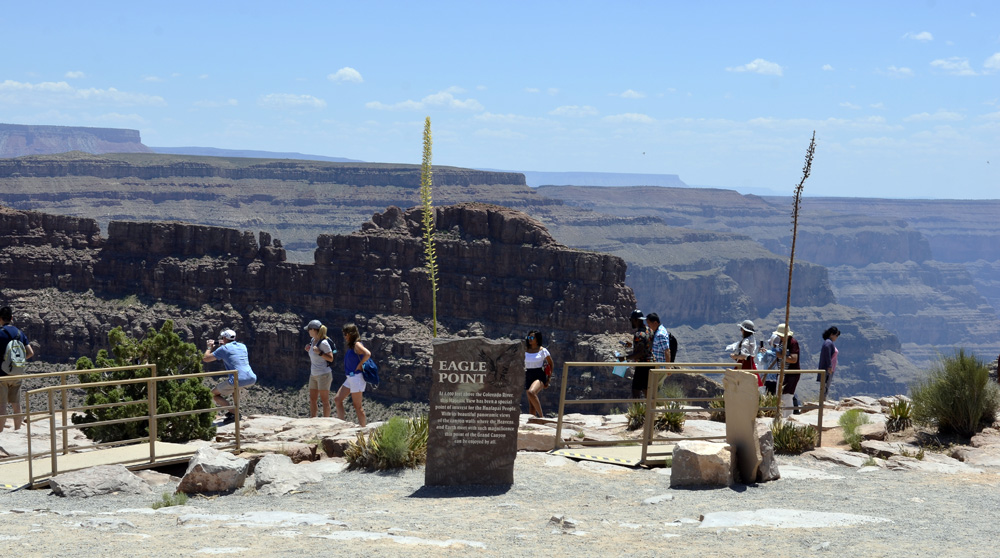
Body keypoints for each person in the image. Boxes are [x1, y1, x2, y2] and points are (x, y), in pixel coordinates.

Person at [202, 328, 257, 425]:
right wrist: (223, 343)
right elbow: (231, 350)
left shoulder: (223, 349)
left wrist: (209, 347)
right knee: (235, 389)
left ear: (224, 338)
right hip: (251, 378)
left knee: (213, 394)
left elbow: (206, 358)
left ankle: (235, 413)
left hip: (238, 379)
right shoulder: (242, 346)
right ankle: (233, 412)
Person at [0, 306, 35, 432]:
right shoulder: (20, 334)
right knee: (16, 405)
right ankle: (18, 431)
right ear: (12, 318)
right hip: (17, 374)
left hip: (2, 375)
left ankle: (1, 435)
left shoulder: (0, 333)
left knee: (2, 406)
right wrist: (18, 361)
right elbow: (30, 352)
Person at [335, 323, 369, 427]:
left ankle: (364, 429)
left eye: (346, 334)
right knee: (337, 399)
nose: (345, 336)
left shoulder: (357, 344)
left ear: (351, 333)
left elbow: (367, 354)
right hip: (350, 378)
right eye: (344, 334)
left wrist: (360, 364)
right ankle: (342, 425)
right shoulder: (352, 345)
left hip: (356, 378)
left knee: (357, 406)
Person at [304, 319, 336, 418]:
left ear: (314, 330)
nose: (308, 331)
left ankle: (326, 421)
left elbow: (330, 358)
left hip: (324, 374)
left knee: (324, 400)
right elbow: (315, 355)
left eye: (309, 329)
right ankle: (313, 419)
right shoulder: (313, 341)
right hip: (313, 374)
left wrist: (320, 353)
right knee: (312, 399)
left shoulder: (324, 343)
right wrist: (308, 349)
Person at [770, 323, 801, 417]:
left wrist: (781, 356)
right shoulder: (781, 342)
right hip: (782, 372)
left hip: (790, 374)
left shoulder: (793, 343)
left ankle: (787, 417)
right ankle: (781, 415)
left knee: (787, 396)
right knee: (780, 396)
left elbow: (793, 359)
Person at [623, 309, 653, 399]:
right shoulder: (649, 330)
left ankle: (638, 411)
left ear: (636, 320)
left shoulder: (638, 334)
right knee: (646, 388)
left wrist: (624, 358)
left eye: (631, 320)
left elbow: (639, 353)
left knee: (635, 390)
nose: (631, 322)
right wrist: (632, 345)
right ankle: (650, 410)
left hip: (642, 365)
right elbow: (645, 345)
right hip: (651, 363)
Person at [523, 330, 554, 418]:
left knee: (531, 392)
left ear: (537, 339)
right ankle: (533, 422)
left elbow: (551, 364)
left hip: (539, 375)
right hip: (528, 374)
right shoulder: (524, 350)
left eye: (532, 337)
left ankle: (541, 417)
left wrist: (548, 379)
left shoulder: (543, 351)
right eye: (529, 337)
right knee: (531, 405)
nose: (530, 339)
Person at [816, 326, 840, 400]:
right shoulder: (828, 343)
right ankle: (822, 402)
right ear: (832, 334)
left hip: (829, 369)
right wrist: (829, 366)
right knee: (825, 386)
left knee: (826, 386)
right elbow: (827, 354)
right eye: (836, 335)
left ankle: (823, 401)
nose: (836, 338)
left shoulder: (829, 342)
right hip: (827, 369)